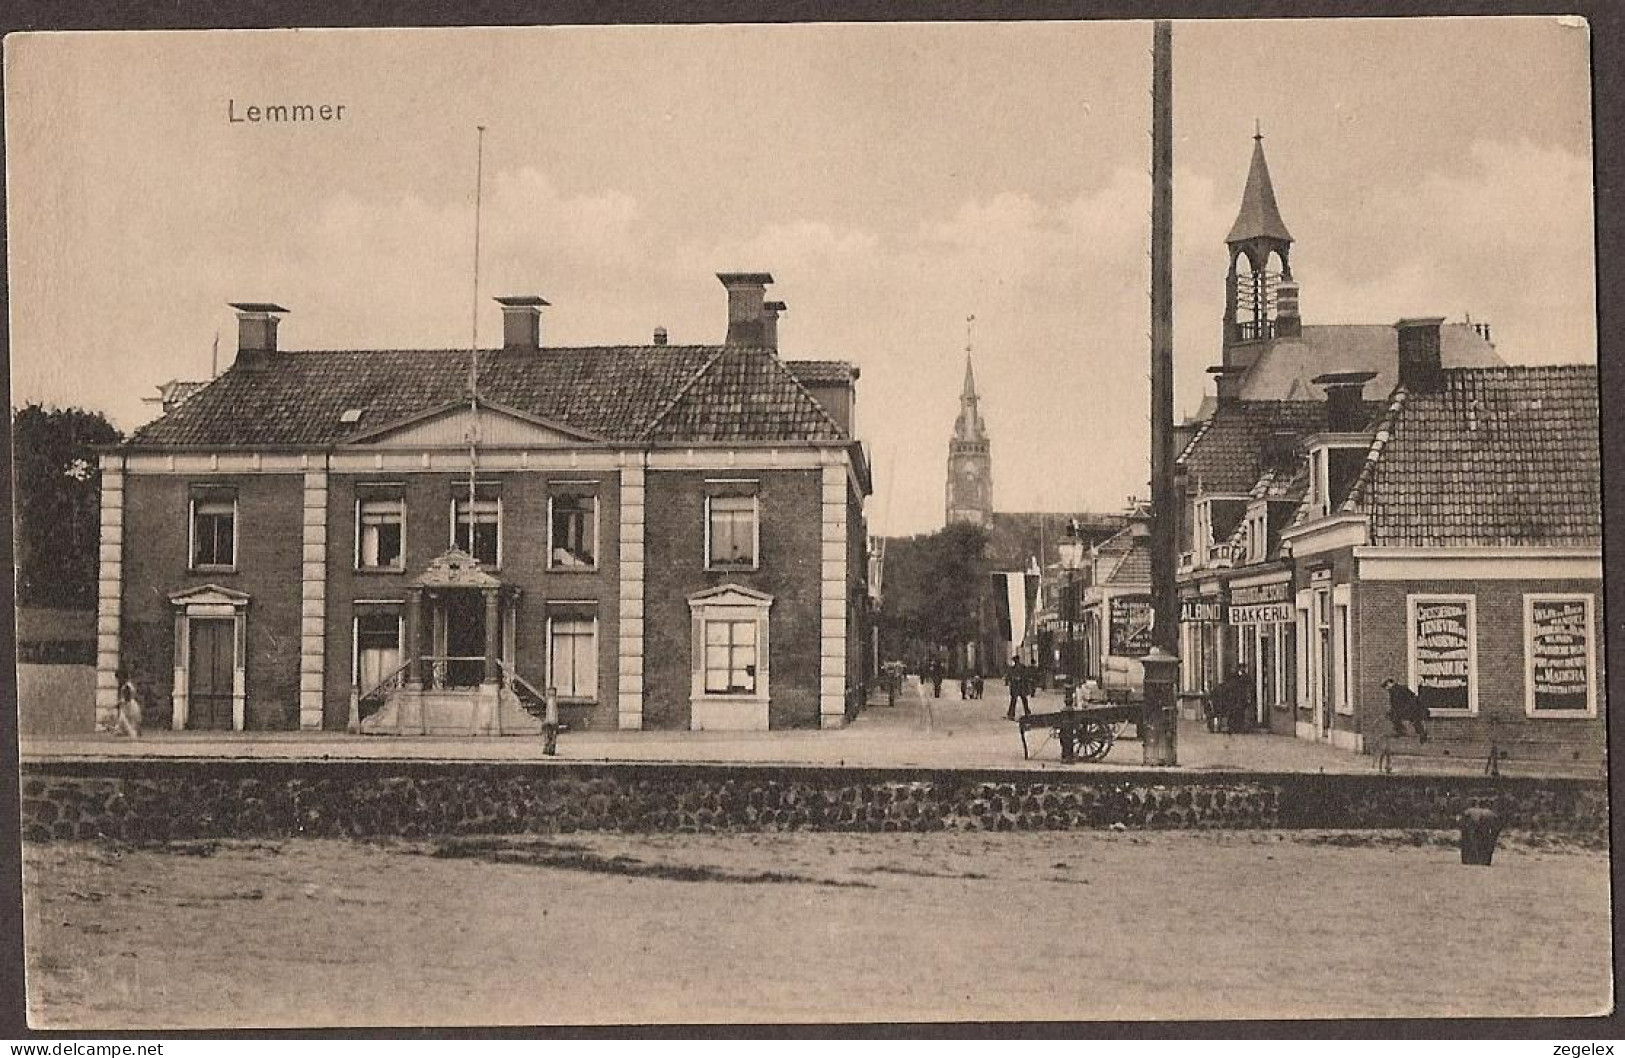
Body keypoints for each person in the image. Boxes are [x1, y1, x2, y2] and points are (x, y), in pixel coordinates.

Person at [1383, 677, 1429, 742]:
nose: (1386, 688)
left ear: (1390, 683)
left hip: (1409, 708)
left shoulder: (1395, 691)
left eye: (1386, 686)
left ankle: (1401, 731)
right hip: (1411, 708)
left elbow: (1397, 704)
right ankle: (1419, 733)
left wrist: (1396, 710)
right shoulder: (1400, 688)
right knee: (1415, 720)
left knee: (1395, 716)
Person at [114, 671, 143, 739]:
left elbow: (127, 698)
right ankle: (127, 731)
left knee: (126, 720)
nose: (118, 680)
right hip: (130, 705)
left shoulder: (126, 686)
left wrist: (120, 702)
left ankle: (132, 733)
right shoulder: (129, 685)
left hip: (129, 705)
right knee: (128, 720)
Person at [1005, 656, 1032, 720]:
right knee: (1019, 700)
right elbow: (1010, 676)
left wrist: (1017, 679)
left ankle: (1012, 713)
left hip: (1019, 686)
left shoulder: (1018, 668)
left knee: (1019, 700)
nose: (1016, 662)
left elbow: (1025, 675)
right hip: (1018, 686)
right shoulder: (1016, 668)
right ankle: (1013, 713)